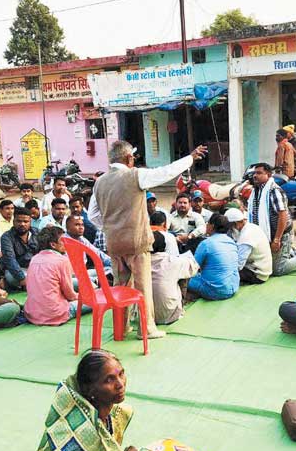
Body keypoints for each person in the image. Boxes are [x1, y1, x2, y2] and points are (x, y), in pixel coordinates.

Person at [88, 140, 207, 338]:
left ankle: (122, 328)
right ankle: (147, 329)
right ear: (129, 158)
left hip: (114, 244)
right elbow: (165, 172)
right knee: (143, 287)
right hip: (136, 242)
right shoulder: (135, 175)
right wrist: (190, 158)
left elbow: (93, 215)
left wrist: (111, 228)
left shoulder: (100, 182)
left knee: (121, 286)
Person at [28, 350, 150, 451]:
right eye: (109, 380)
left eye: (121, 374)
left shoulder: (113, 415)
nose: (120, 384)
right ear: (90, 390)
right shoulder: (79, 433)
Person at [248, 163, 296, 276]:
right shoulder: (256, 190)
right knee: (262, 264)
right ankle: (290, 252)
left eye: (259, 173)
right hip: (267, 234)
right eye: (254, 173)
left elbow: (283, 215)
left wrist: (277, 240)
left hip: (281, 234)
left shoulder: (274, 191)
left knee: (277, 270)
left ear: (269, 174)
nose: (255, 176)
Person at [25, 227, 90, 326]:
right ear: (53, 245)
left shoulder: (34, 259)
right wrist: (82, 296)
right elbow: (70, 295)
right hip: (55, 314)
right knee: (93, 299)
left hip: (32, 314)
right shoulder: (62, 260)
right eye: (63, 241)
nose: (66, 244)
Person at [187, 214, 239, 301]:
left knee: (183, 277)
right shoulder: (231, 242)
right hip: (233, 288)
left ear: (212, 226)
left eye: (207, 223)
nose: (206, 225)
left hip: (215, 291)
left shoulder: (206, 243)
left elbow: (193, 267)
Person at [150, 231, 199, 324]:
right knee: (184, 273)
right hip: (170, 313)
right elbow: (194, 268)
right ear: (164, 245)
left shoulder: (138, 262)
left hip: (145, 314)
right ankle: (181, 303)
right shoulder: (173, 261)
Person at [225, 207, 272, 284]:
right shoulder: (250, 227)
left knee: (221, 273)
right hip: (259, 268)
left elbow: (238, 265)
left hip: (258, 274)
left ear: (236, 224)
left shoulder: (246, 237)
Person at [0, 208, 40, 290]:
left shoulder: (38, 233)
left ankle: (34, 284)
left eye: (26, 221)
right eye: (19, 221)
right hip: (19, 270)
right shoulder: (6, 237)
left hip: (37, 269)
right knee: (11, 277)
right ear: (13, 221)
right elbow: (9, 259)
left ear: (30, 222)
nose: (22, 224)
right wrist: (21, 278)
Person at [66, 213, 112, 281]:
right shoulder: (63, 241)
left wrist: (113, 262)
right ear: (68, 228)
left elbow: (97, 253)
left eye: (82, 225)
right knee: (94, 281)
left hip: (84, 273)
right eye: (77, 225)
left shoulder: (81, 239)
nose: (81, 227)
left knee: (110, 269)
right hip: (70, 277)